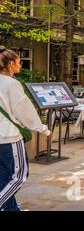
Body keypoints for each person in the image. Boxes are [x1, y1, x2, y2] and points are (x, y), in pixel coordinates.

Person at [0, 46, 52, 211]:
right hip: (9, 137)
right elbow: (25, 112)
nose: (20, 64)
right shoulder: (11, 83)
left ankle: (12, 209)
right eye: (18, 61)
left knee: (4, 176)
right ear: (10, 64)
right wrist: (44, 129)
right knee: (19, 175)